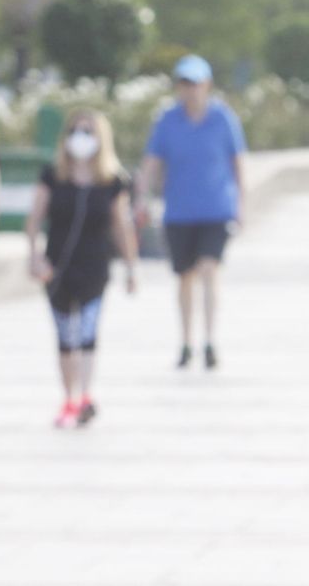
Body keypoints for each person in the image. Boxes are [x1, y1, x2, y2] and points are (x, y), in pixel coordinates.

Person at [25, 109, 138, 428]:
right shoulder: (53, 175)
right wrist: (33, 256)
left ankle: (86, 394)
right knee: (64, 334)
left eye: (89, 132)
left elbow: (122, 225)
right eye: (76, 130)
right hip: (58, 265)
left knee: (87, 331)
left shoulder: (113, 181)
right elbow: (34, 219)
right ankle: (68, 397)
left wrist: (131, 266)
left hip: (94, 265)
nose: (81, 137)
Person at [135, 54, 246, 370]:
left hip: (216, 208)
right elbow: (152, 162)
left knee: (210, 270)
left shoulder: (223, 118)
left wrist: (241, 204)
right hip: (179, 211)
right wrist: (142, 198)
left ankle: (210, 340)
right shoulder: (168, 120)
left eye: (195, 83)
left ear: (206, 84)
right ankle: (186, 342)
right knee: (185, 277)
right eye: (184, 83)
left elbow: (238, 162)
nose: (190, 89)